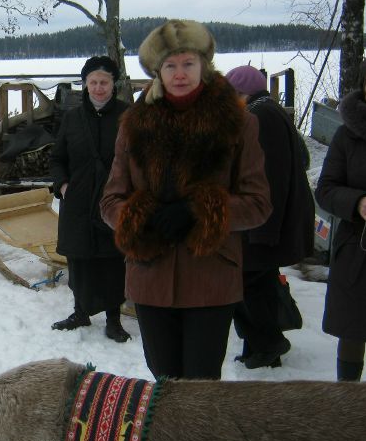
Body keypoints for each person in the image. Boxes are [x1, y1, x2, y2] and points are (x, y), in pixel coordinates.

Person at [100, 19, 272, 380]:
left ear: (203, 65)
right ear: (157, 71)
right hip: (150, 275)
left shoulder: (238, 123)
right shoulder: (133, 125)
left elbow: (258, 204)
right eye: (170, 65)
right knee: (163, 379)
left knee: (201, 384)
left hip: (211, 276)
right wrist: (140, 216)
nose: (180, 73)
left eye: (188, 63)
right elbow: (110, 201)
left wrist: (200, 211)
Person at [225, 65, 315, 370]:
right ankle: (259, 349)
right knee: (259, 283)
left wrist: (263, 228)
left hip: (265, 222)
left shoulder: (262, 116)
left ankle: (269, 343)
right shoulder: (266, 111)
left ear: (243, 92)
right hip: (267, 221)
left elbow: (271, 177)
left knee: (246, 283)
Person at [49, 56, 131, 342]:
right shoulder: (72, 118)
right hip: (78, 202)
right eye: (93, 82)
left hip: (114, 201)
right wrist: (62, 186)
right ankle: (80, 312)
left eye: (104, 82)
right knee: (79, 259)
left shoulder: (127, 116)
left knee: (113, 260)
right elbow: (57, 158)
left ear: (113, 84)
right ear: (84, 84)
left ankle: (114, 319)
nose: (98, 88)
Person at [315, 52, 366, 381]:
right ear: (364, 89)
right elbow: (326, 189)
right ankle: (347, 395)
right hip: (359, 248)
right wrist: (358, 203)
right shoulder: (348, 135)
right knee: (353, 327)